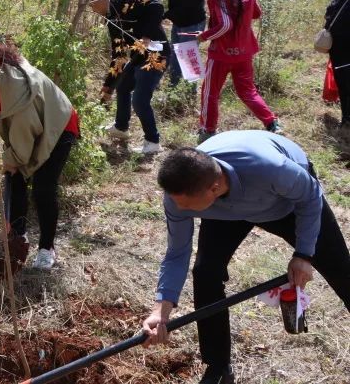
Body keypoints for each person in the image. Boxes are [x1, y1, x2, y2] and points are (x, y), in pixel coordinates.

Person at [141, 132, 350, 384]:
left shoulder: (271, 168)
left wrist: (304, 254)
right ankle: (218, 366)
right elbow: (177, 252)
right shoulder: (180, 196)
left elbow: (309, 196)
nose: (180, 210)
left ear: (214, 187)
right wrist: (160, 311)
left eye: (186, 205)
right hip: (226, 211)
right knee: (206, 272)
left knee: (341, 271)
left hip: (287, 205)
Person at [0, 39, 80, 270]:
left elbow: (24, 132)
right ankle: (18, 239)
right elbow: (8, 126)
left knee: (43, 187)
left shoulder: (16, 86)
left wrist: (12, 160)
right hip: (30, 129)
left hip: (58, 126)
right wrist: (12, 161)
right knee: (14, 179)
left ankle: (47, 249)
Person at [184, 0, 280, 142]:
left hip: (222, 54)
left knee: (210, 93)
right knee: (248, 91)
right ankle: (272, 123)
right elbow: (257, 14)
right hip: (244, 52)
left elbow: (225, 25)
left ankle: (207, 130)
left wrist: (203, 36)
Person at [84, 0, 167, 155]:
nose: (91, 9)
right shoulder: (110, 19)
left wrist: (147, 35)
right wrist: (108, 85)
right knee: (122, 87)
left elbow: (157, 6)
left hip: (157, 55)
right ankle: (121, 128)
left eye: (91, 4)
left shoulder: (125, 0)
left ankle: (153, 142)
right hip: (139, 57)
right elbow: (119, 55)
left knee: (139, 100)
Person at [150, 0, 206, 89]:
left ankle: (186, 94)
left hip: (192, 23)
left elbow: (182, 8)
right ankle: (174, 90)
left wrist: (160, 15)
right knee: (174, 54)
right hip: (180, 21)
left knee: (187, 58)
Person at [323, 0, 350, 129]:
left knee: (347, 83)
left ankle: (347, 119)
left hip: (347, 47)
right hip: (338, 47)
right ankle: (346, 116)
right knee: (343, 82)